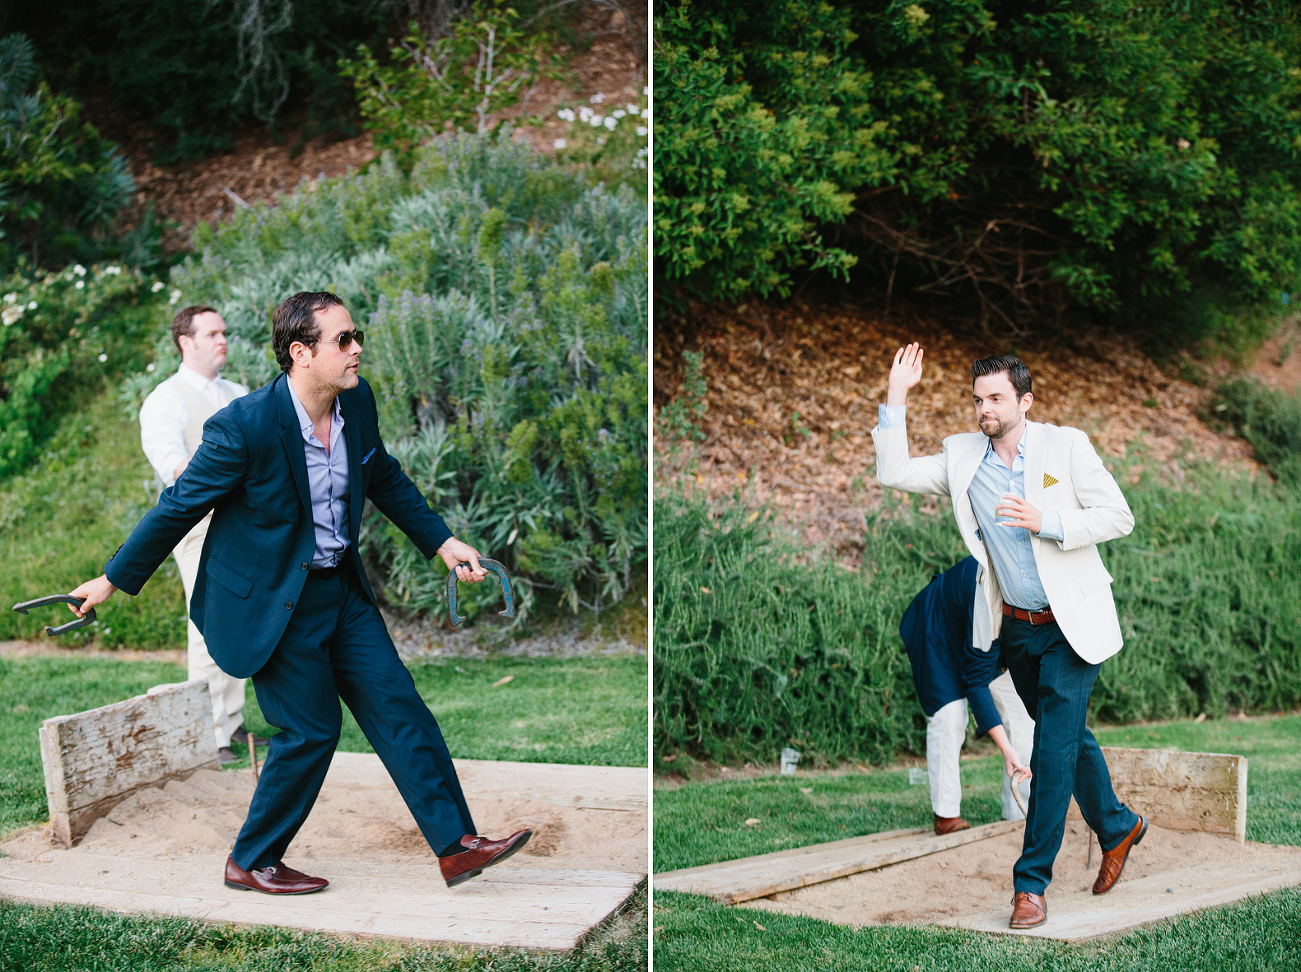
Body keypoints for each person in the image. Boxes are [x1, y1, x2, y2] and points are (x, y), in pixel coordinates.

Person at [69, 291, 531, 895]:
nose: (357, 348)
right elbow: (179, 506)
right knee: (311, 730)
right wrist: (112, 579)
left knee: (399, 706)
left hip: (340, 589)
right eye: (343, 340)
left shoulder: (355, 401)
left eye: (354, 335)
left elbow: (382, 473)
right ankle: (252, 860)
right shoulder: (245, 426)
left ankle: (457, 845)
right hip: (271, 601)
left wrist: (443, 543)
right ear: (300, 353)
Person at [873, 345, 1144, 931]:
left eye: (995, 398)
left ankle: (1030, 886)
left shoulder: (1065, 446)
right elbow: (892, 473)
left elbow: (1118, 515)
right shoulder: (963, 457)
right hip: (1017, 632)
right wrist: (897, 396)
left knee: (1050, 751)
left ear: (1024, 400)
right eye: (977, 399)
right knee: (1065, 737)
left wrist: (1047, 522)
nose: (984, 410)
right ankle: (1119, 825)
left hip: (1072, 626)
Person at [139, 305, 255, 765]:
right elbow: (173, 466)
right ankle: (212, 735)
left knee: (245, 621)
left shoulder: (239, 393)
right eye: (211, 333)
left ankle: (234, 720)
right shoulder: (166, 399)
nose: (222, 339)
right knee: (209, 625)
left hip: (246, 525)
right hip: (200, 526)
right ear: (186, 342)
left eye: (224, 332)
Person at [899, 555, 1034, 835]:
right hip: (939, 631)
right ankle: (946, 816)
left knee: (1023, 714)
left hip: (989, 639)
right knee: (950, 716)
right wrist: (1006, 750)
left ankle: (1019, 815)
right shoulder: (990, 590)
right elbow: (976, 682)